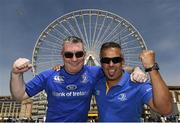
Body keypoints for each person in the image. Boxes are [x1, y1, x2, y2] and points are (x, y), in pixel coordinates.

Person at [10, 36, 147, 122]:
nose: (74, 59)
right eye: (69, 55)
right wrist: (16, 74)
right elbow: (20, 95)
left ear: (85, 55)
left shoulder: (95, 72)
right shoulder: (48, 75)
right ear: (62, 55)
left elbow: (115, 68)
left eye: (79, 54)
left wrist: (136, 69)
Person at [94, 42, 172, 122]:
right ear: (101, 63)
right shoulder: (96, 82)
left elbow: (165, 109)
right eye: (106, 60)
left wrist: (151, 68)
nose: (111, 64)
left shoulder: (137, 83)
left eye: (116, 60)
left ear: (122, 62)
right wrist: (134, 68)